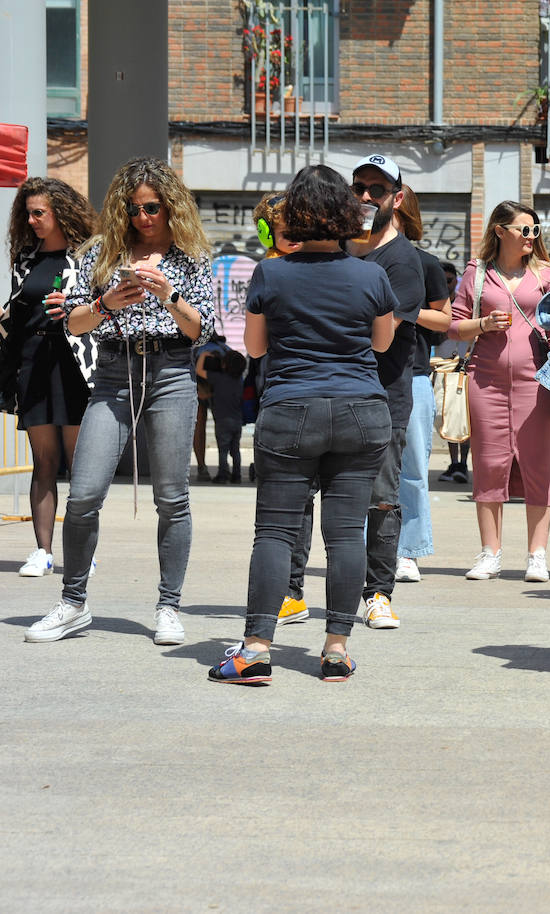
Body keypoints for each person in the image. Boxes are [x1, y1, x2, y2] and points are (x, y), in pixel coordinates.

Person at [208, 164, 397, 684]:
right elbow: (381, 344)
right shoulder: (371, 274)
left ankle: (255, 649)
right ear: (345, 214)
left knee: (274, 532)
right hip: (361, 410)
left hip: (291, 408)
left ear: (294, 215)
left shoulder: (270, 273)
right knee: (345, 536)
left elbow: (254, 347)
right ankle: (336, 649)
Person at [24, 156, 215, 645]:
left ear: (170, 207)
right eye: (132, 209)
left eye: (152, 207)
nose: (142, 218)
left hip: (172, 372)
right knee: (84, 493)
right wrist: (109, 303)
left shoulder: (190, 256)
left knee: (172, 498)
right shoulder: (102, 253)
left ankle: (168, 606)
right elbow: (72, 323)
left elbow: (200, 330)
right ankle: (73, 602)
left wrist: (169, 295)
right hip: (114, 373)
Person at [450, 201, 550, 583]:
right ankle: (490, 553)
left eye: (535, 230)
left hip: (536, 382)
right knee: (489, 463)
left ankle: (537, 554)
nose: (531, 237)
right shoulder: (477, 273)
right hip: (486, 380)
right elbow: (454, 326)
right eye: (523, 230)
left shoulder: (546, 274)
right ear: (500, 231)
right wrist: (483, 323)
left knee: (538, 465)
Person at [344, 154, 424, 628]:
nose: (366, 196)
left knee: (380, 496)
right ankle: (295, 592)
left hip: (382, 397)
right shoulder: (334, 250)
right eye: (359, 187)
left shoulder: (403, 262)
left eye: (377, 188)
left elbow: (380, 337)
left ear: (396, 198)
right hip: (330, 392)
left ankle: (377, 593)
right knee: (323, 495)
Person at [2, 177, 96, 578]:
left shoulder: (88, 256)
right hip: (34, 360)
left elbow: (98, 309)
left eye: (39, 212)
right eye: (28, 213)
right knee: (44, 460)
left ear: (61, 212)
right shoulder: (26, 257)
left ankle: (83, 553)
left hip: (74, 363)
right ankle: (42, 551)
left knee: (80, 464)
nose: (32, 220)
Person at [393, 184, 454, 584]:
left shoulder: (425, 263)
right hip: (359, 374)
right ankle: (363, 548)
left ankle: (407, 550)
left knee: (413, 468)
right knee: (360, 472)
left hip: (412, 374)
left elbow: (444, 320)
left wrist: (402, 310)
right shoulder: (353, 259)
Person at [436, 260, 472, 484]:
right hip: (443, 363)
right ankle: (453, 463)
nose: (446, 285)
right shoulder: (435, 303)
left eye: (449, 281)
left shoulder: (462, 303)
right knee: (447, 415)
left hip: (464, 364)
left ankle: (462, 464)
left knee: (464, 416)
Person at [194, 339, 246, 483]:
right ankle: (237, 476)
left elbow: (199, 371)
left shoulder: (217, 378)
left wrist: (204, 356)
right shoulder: (239, 381)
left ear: (224, 365)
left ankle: (222, 475)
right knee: (235, 450)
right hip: (237, 421)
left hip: (222, 422)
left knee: (223, 450)